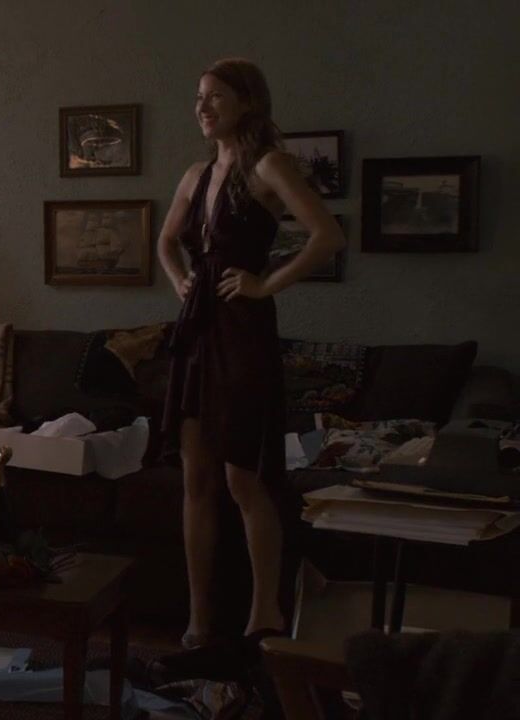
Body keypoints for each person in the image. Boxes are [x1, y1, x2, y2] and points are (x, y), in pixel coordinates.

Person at [156, 58, 345, 649]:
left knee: (243, 476)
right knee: (196, 478)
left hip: (242, 331)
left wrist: (265, 284)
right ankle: (199, 619)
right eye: (199, 97)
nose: (202, 107)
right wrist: (179, 280)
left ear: (247, 103)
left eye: (215, 96)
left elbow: (328, 236)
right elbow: (166, 241)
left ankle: (265, 612)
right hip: (197, 329)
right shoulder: (195, 174)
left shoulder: (268, 165)